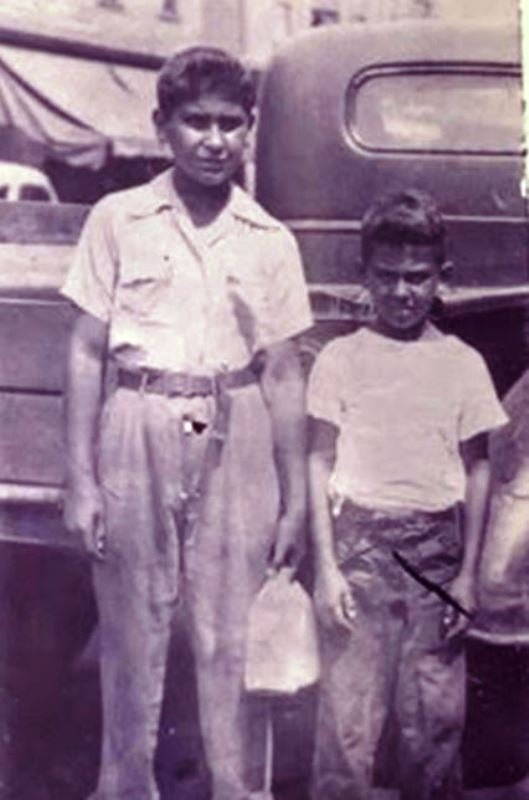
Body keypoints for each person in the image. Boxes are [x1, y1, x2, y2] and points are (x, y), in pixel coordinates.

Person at [61, 46, 312, 800]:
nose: (213, 139)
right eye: (195, 122)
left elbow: (282, 371)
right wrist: (80, 479)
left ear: (248, 130)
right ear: (162, 127)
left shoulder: (269, 239)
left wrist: (294, 496)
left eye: (230, 124)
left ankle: (235, 789)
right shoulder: (118, 219)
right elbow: (82, 351)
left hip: (236, 429)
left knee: (230, 639)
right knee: (133, 634)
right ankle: (126, 788)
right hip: (137, 424)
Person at [307, 189, 507, 800]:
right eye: (388, 277)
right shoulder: (340, 358)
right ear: (364, 275)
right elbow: (319, 460)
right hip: (359, 556)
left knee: (433, 727)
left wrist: (468, 578)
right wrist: (327, 571)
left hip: (437, 565)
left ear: (441, 277)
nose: (402, 292)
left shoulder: (462, 363)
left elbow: (479, 472)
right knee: (347, 727)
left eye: (417, 277)